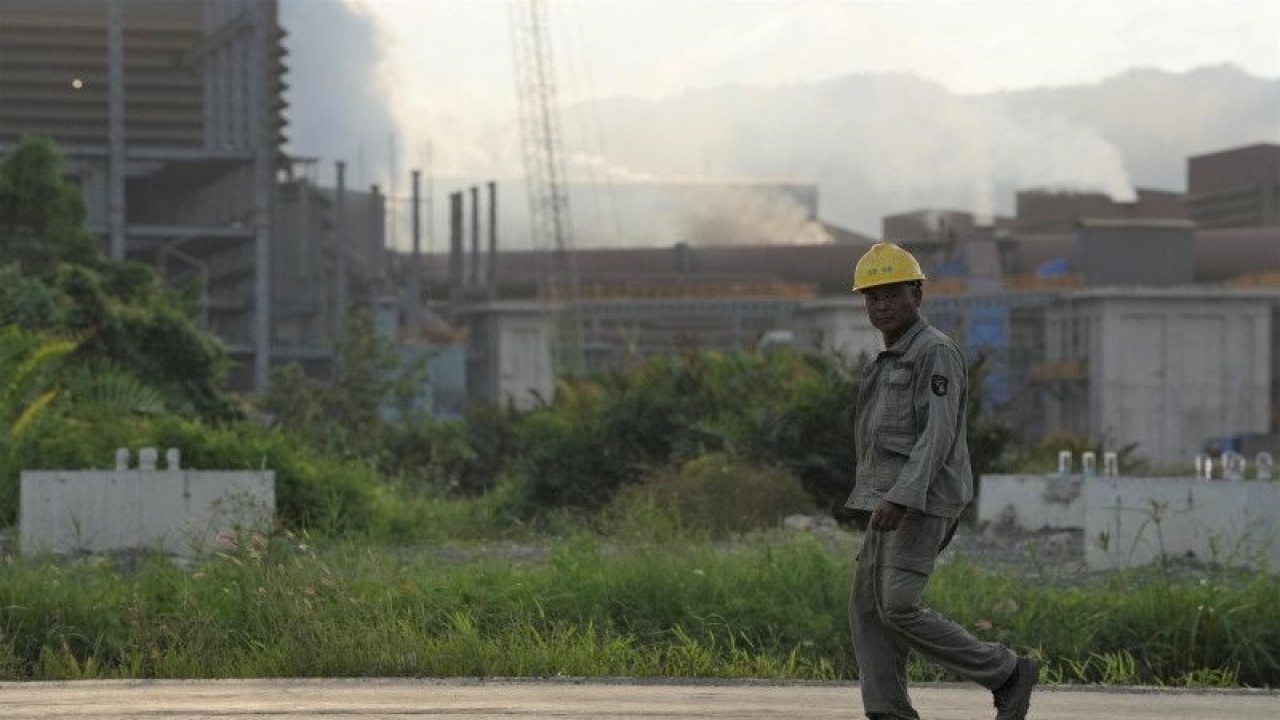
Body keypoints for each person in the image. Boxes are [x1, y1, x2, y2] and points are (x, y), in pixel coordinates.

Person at [846, 242, 1037, 720]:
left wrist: (901, 497)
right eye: (872, 297)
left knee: (898, 606)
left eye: (891, 294)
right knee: (868, 607)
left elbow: (938, 434)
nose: (881, 305)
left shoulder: (935, 353)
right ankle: (888, 710)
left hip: (921, 501)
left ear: (917, 293)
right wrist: (879, 496)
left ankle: (1006, 672)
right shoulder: (891, 358)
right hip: (888, 501)